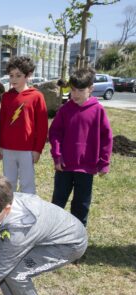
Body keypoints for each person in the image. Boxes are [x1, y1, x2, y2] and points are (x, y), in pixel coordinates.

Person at [49, 68, 113, 227]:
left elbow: (106, 138)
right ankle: (51, 231)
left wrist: (104, 162)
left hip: (86, 168)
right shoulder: (65, 109)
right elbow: (54, 133)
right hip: (64, 166)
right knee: (58, 201)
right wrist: (57, 156)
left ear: (91, 89)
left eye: (80, 90)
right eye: (73, 90)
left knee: (81, 204)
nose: (75, 94)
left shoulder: (98, 110)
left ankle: (77, 236)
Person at [0, 56, 48, 195]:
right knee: (9, 183)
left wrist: (38, 149)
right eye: (11, 75)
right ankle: (10, 212)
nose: (13, 79)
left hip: (27, 149)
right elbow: (2, 122)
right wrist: (0, 145)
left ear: (28, 75)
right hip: (8, 148)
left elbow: (42, 126)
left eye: (18, 76)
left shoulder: (37, 96)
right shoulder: (7, 97)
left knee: (27, 183)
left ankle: (28, 213)